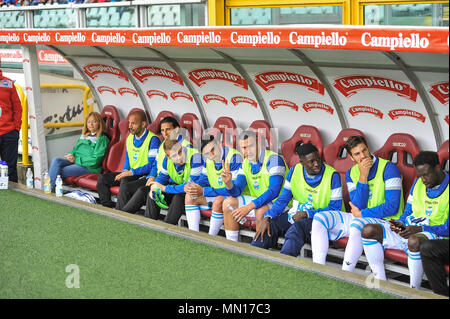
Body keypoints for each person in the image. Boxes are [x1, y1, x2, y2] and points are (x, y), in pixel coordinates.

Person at [310, 135, 404, 269]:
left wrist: (362, 214)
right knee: (320, 218)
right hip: (362, 217)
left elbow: (392, 207)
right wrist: (363, 177)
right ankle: (318, 269)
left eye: (364, 150)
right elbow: (357, 206)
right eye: (357, 154)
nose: (363, 156)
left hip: (387, 221)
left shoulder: (389, 168)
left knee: (357, 223)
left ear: (368, 148)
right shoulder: (351, 173)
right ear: (351, 157)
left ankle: (345, 273)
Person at [361, 151, 448, 289]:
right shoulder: (418, 183)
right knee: (368, 230)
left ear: (437, 168)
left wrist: (420, 229)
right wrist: (400, 223)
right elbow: (407, 211)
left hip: (434, 235)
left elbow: (447, 229)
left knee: (414, 240)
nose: (423, 180)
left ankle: (414, 290)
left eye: (426, 175)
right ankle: (380, 284)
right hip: (410, 229)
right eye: (420, 176)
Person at [252, 142, 343, 259]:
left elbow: (335, 208)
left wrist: (308, 214)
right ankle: (252, 257)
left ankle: (283, 264)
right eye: (311, 161)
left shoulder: (332, 175)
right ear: (302, 163)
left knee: (297, 228)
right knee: (271, 225)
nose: (317, 164)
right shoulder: (294, 171)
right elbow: (283, 199)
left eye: (318, 159)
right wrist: (268, 217)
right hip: (299, 215)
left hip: (325, 220)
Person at [221, 130, 287, 242]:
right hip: (259, 201)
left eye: (250, 146)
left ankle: (259, 248)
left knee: (260, 211)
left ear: (258, 144)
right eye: (244, 148)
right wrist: (229, 183)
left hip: (279, 203)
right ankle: (232, 245)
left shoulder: (274, 160)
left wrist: (249, 206)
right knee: (228, 203)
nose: (248, 151)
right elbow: (237, 191)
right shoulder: (245, 163)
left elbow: (274, 191)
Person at [118, 116, 190, 214]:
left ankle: (123, 216)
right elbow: (155, 164)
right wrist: (152, 176)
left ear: (177, 130)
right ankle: (121, 215)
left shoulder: (185, 145)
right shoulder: (163, 145)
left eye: (168, 129)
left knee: (144, 191)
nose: (165, 133)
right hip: (160, 179)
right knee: (129, 187)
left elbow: (181, 170)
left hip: (174, 184)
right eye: (162, 130)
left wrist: (158, 183)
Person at [96, 110, 160, 208]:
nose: (129, 126)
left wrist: (129, 173)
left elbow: (151, 166)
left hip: (143, 175)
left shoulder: (153, 139)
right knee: (102, 179)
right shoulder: (130, 137)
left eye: (133, 123)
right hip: (131, 173)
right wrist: (125, 170)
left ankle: (119, 213)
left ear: (143, 124)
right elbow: (128, 158)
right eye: (129, 123)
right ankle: (107, 208)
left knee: (125, 181)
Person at [183, 135, 244, 233]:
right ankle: (193, 235)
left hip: (235, 198)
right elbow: (203, 180)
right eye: (207, 153)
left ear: (218, 144)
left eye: (213, 149)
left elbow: (233, 190)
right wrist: (192, 186)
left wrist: (203, 191)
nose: (211, 154)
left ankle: (211, 238)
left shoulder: (234, 157)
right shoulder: (208, 160)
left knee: (219, 200)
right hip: (216, 195)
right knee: (190, 196)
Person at [146, 138, 203, 225]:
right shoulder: (167, 160)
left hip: (197, 192)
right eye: (174, 156)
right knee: (154, 194)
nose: (179, 157)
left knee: (179, 198)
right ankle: (149, 225)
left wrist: (164, 188)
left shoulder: (196, 157)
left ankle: (167, 228)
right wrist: (154, 187)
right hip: (179, 189)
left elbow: (190, 186)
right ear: (168, 157)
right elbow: (162, 178)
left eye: (180, 152)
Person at [48, 111, 109, 192]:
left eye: (94, 122)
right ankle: (50, 189)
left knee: (57, 170)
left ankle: (50, 191)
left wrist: (76, 160)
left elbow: (95, 160)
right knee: (56, 160)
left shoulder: (102, 139)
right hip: (76, 161)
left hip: (88, 167)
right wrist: (70, 155)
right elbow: (75, 149)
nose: (91, 124)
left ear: (100, 123)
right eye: (89, 122)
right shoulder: (84, 136)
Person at [0, 67, 22, 183]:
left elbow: (17, 107)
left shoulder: (8, 83)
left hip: (9, 132)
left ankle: (15, 191)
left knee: (10, 168)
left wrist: (16, 128)